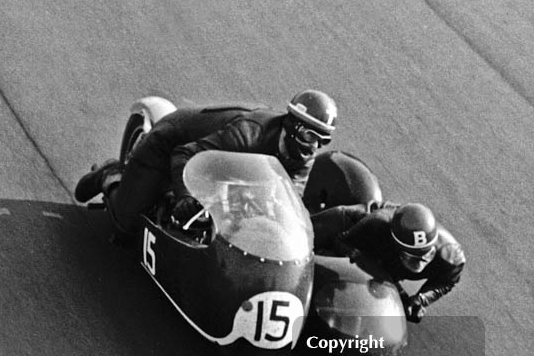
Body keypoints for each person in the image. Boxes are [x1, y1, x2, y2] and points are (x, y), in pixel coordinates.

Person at [75, 89, 338, 237]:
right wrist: (185, 196)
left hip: (223, 168)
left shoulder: (303, 157)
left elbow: (290, 200)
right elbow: (183, 154)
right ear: (292, 125)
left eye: (322, 141)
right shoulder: (248, 134)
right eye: (308, 136)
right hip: (172, 142)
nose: (314, 147)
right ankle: (110, 175)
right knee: (126, 225)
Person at [313, 202, 465, 322]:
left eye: (427, 255)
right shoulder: (376, 223)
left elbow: (446, 282)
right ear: (396, 247)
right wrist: (361, 259)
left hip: (384, 261)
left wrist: (421, 299)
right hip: (355, 232)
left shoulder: (451, 256)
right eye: (412, 257)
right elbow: (341, 241)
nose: (419, 264)